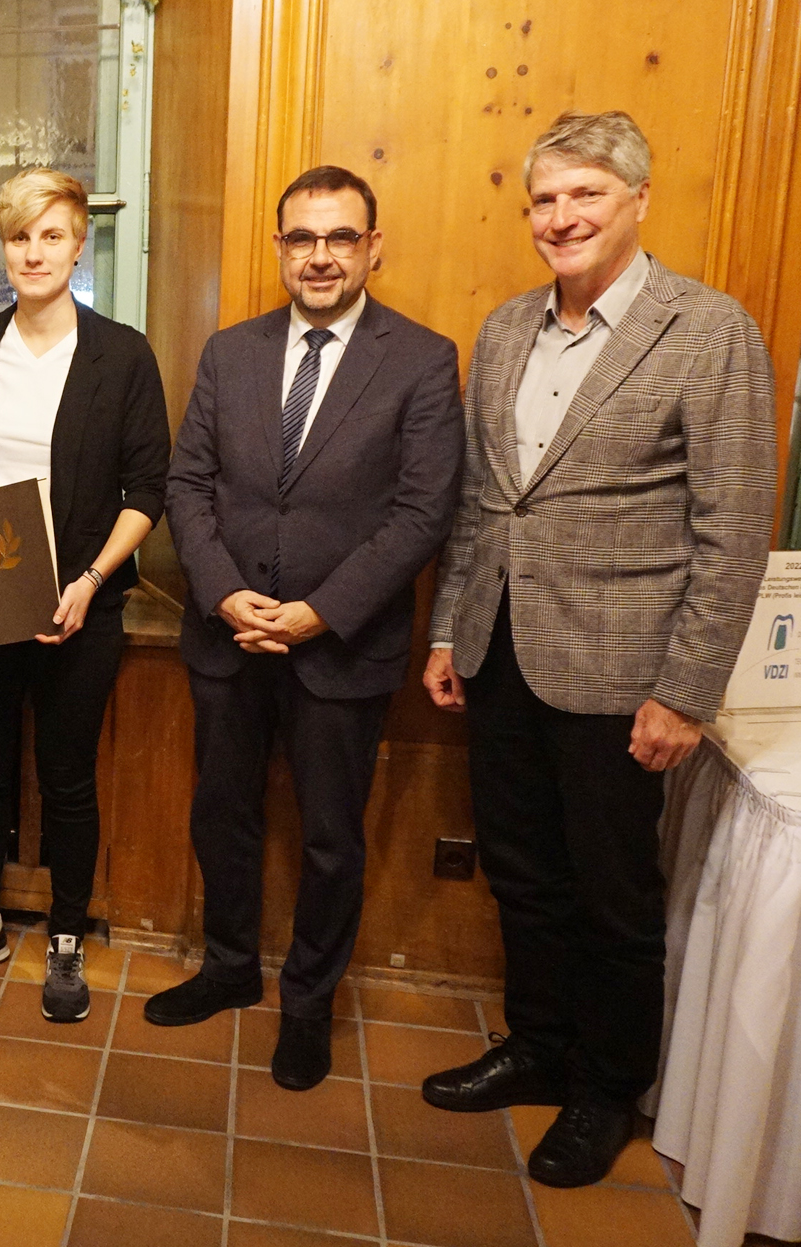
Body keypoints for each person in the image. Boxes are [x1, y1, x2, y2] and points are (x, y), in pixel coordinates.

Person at [421, 111, 776, 1187]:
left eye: (585, 196)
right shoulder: (506, 329)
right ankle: (536, 1043)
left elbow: (734, 530)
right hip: (500, 653)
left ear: (637, 200)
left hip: (624, 677)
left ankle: (607, 1085)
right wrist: (447, 627)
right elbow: (485, 501)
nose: (561, 218)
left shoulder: (708, 331)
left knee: (614, 893)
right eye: (545, 200)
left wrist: (685, 690)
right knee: (523, 874)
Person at [150, 166, 464, 1087]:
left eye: (339, 237)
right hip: (228, 636)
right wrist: (221, 593)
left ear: (373, 246)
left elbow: (421, 514)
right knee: (223, 812)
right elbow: (186, 486)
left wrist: (318, 612)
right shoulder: (229, 352)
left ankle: (308, 1004)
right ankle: (228, 967)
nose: (318, 255)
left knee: (330, 836)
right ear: (278, 246)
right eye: (301, 237)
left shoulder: (419, 357)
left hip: (343, 645)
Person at [0, 168, 170, 1023]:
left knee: (65, 778)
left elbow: (146, 491)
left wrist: (90, 581)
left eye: (51, 235)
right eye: (19, 236)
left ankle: (64, 934)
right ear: (4, 246)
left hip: (78, 605)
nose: (33, 251)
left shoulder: (122, 353)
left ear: (77, 244)